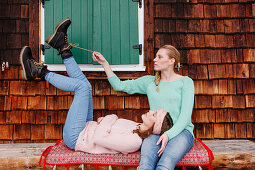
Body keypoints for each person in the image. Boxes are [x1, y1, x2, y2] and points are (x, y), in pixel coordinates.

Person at [19, 18, 174, 154]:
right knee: (86, 86)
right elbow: (110, 119)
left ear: (154, 127)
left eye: (154, 115)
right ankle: (61, 46)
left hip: (77, 137)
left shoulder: (134, 142)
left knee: (82, 88)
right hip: (87, 128)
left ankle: (38, 71)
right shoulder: (137, 126)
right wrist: (108, 121)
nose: (150, 111)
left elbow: (100, 137)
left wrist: (107, 121)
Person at [92, 44, 195, 169]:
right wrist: (104, 63)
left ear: (172, 61)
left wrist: (168, 135)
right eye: (155, 56)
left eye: (159, 57)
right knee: (145, 164)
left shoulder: (186, 82)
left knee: (165, 164)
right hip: (155, 131)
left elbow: (184, 117)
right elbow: (119, 86)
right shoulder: (149, 82)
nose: (154, 60)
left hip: (182, 132)